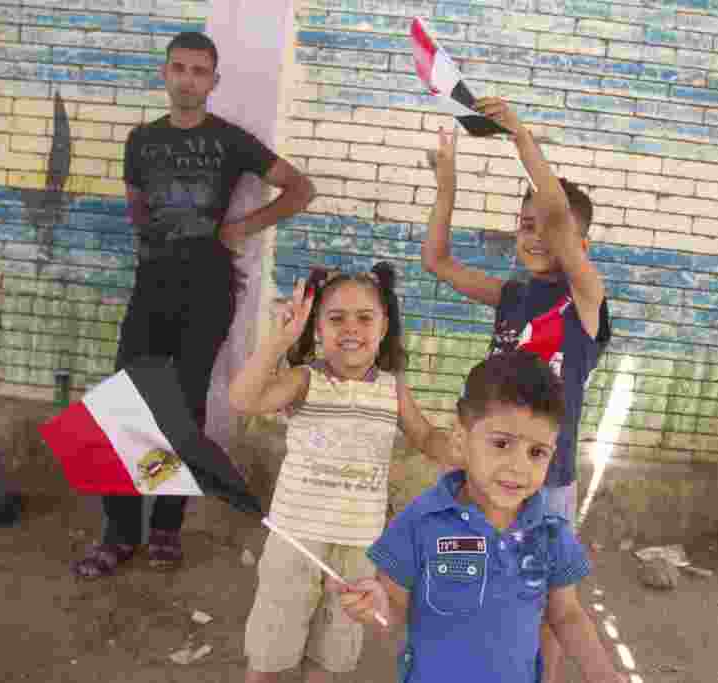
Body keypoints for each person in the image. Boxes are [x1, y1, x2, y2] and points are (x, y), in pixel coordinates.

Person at [71, 31, 316, 579]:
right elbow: (136, 206)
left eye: (199, 71)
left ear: (213, 80)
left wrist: (242, 228)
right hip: (152, 286)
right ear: (164, 74)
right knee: (126, 404)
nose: (187, 79)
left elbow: (302, 188)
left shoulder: (231, 141)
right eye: (178, 68)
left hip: (207, 289)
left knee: (181, 408)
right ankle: (119, 532)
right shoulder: (140, 141)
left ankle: (165, 528)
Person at [421, 97, 611, 681]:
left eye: (551, 229)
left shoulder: (585, 298)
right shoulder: (510, 295)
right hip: (484, 475)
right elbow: (436, 260)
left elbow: (555, 213)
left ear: (579, 244)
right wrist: (447, 184)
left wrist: (521, 138)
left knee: (554, 606)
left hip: (547, 484)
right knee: (479, 590)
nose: (536, 236)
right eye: (525, 225)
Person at [330, 350, 629, 683]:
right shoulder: (421, 520)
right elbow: (394, 605)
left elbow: (567, 614)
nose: (519, 466)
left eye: (536, 452)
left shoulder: (551, 532)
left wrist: (601, 672)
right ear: (461, 439)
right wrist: (376, 605)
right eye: (502, 443)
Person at [229, 262, 461, 683]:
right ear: (317, 328)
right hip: (295, 541)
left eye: (364, 318)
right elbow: (243, 399)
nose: (350, 328)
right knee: (269, 656)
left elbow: (426, 437)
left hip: (358, 548)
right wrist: (278, 341)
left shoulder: (392, 387)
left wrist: (465, 451)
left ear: (384, 325)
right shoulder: (304, 380)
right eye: (336, 318)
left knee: (329, 657)